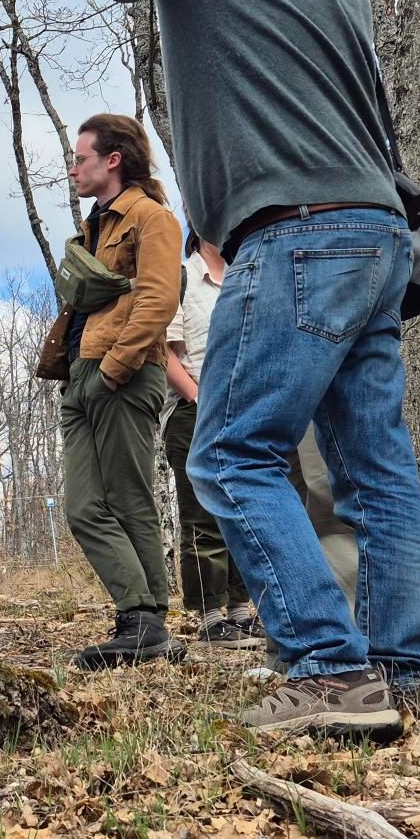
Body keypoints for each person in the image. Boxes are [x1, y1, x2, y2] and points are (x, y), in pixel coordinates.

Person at [0, 0, 420, 737]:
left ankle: (332, 671)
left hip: (296, 234)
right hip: (375, 233)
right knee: (374, 470)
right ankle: (399, 669)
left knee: (229, 455)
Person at [34, 114, 184, 669]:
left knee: (128, 497)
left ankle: (144, 622)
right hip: (79, 375)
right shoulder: (92, 228)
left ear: (113, 159)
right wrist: (79, 373)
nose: (73, 169)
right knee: (82, 507)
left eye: (81, 159)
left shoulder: (151, 218)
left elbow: (159, 299)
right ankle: (141, 615)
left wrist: (116, 368)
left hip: (122, 373)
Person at [162, 232, 260, 647]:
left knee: (245, 510)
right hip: (193, 411)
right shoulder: (181, 277)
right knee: (203, 514)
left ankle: (240, 610)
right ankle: (209, 616)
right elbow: (163, 349)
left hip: (246, 410)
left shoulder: (248, 276)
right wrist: (198, 397)